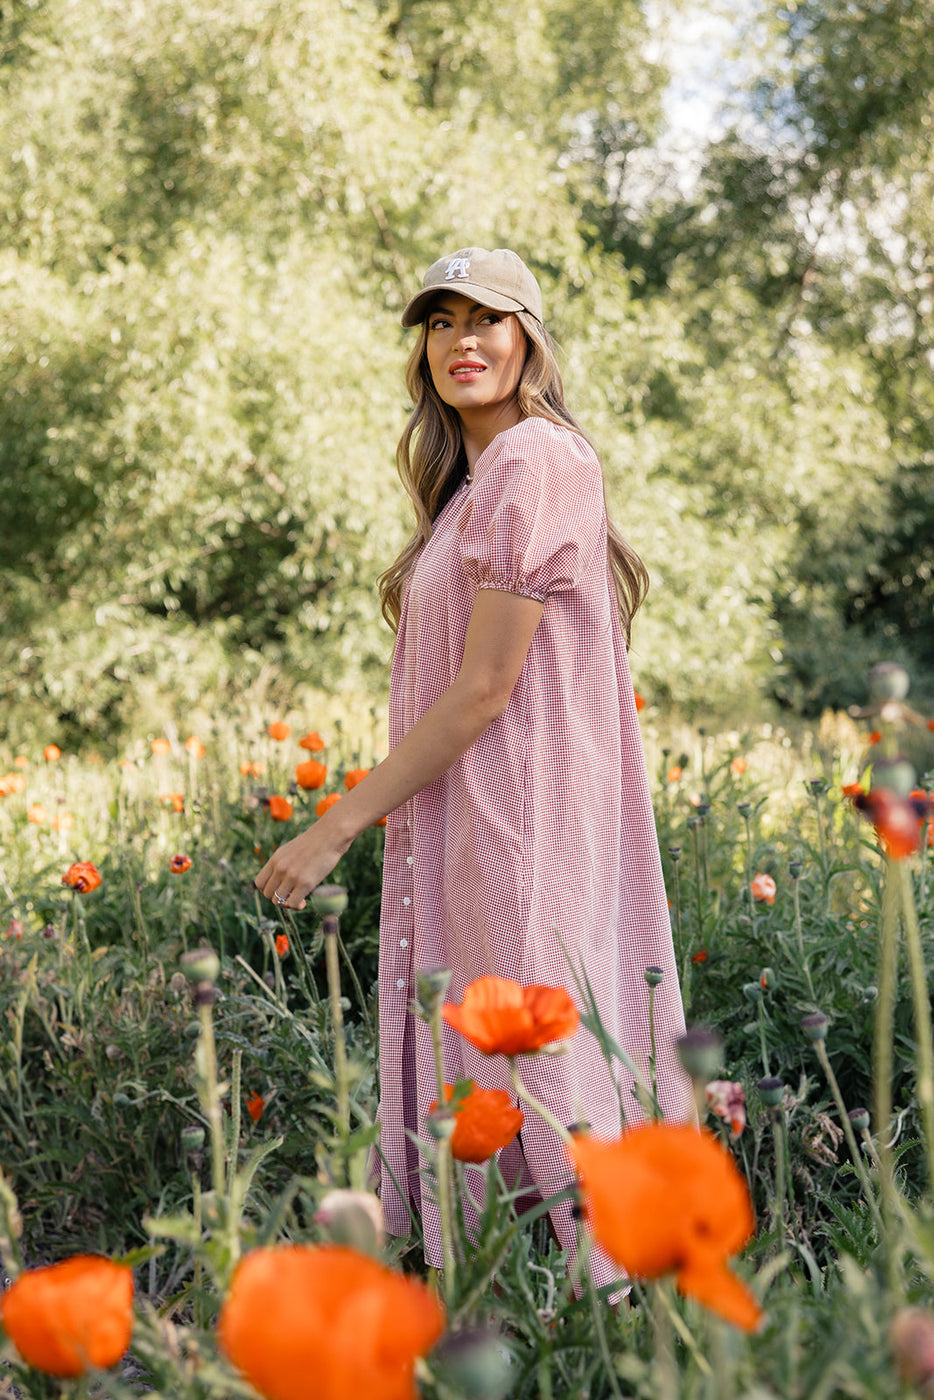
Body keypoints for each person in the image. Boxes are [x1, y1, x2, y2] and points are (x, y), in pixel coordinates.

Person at [255, 247, 693, 1287]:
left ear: (528, 339)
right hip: (468, 813)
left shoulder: (540, 459)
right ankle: (499, 1291)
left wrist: (333, 824)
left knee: (534, 1047)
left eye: (487, 319)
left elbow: (487, 688)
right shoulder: (473, 483)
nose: (463, 340)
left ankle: (595, 1305)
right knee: (496, 1051)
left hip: (519, 811)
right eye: (442, 322)